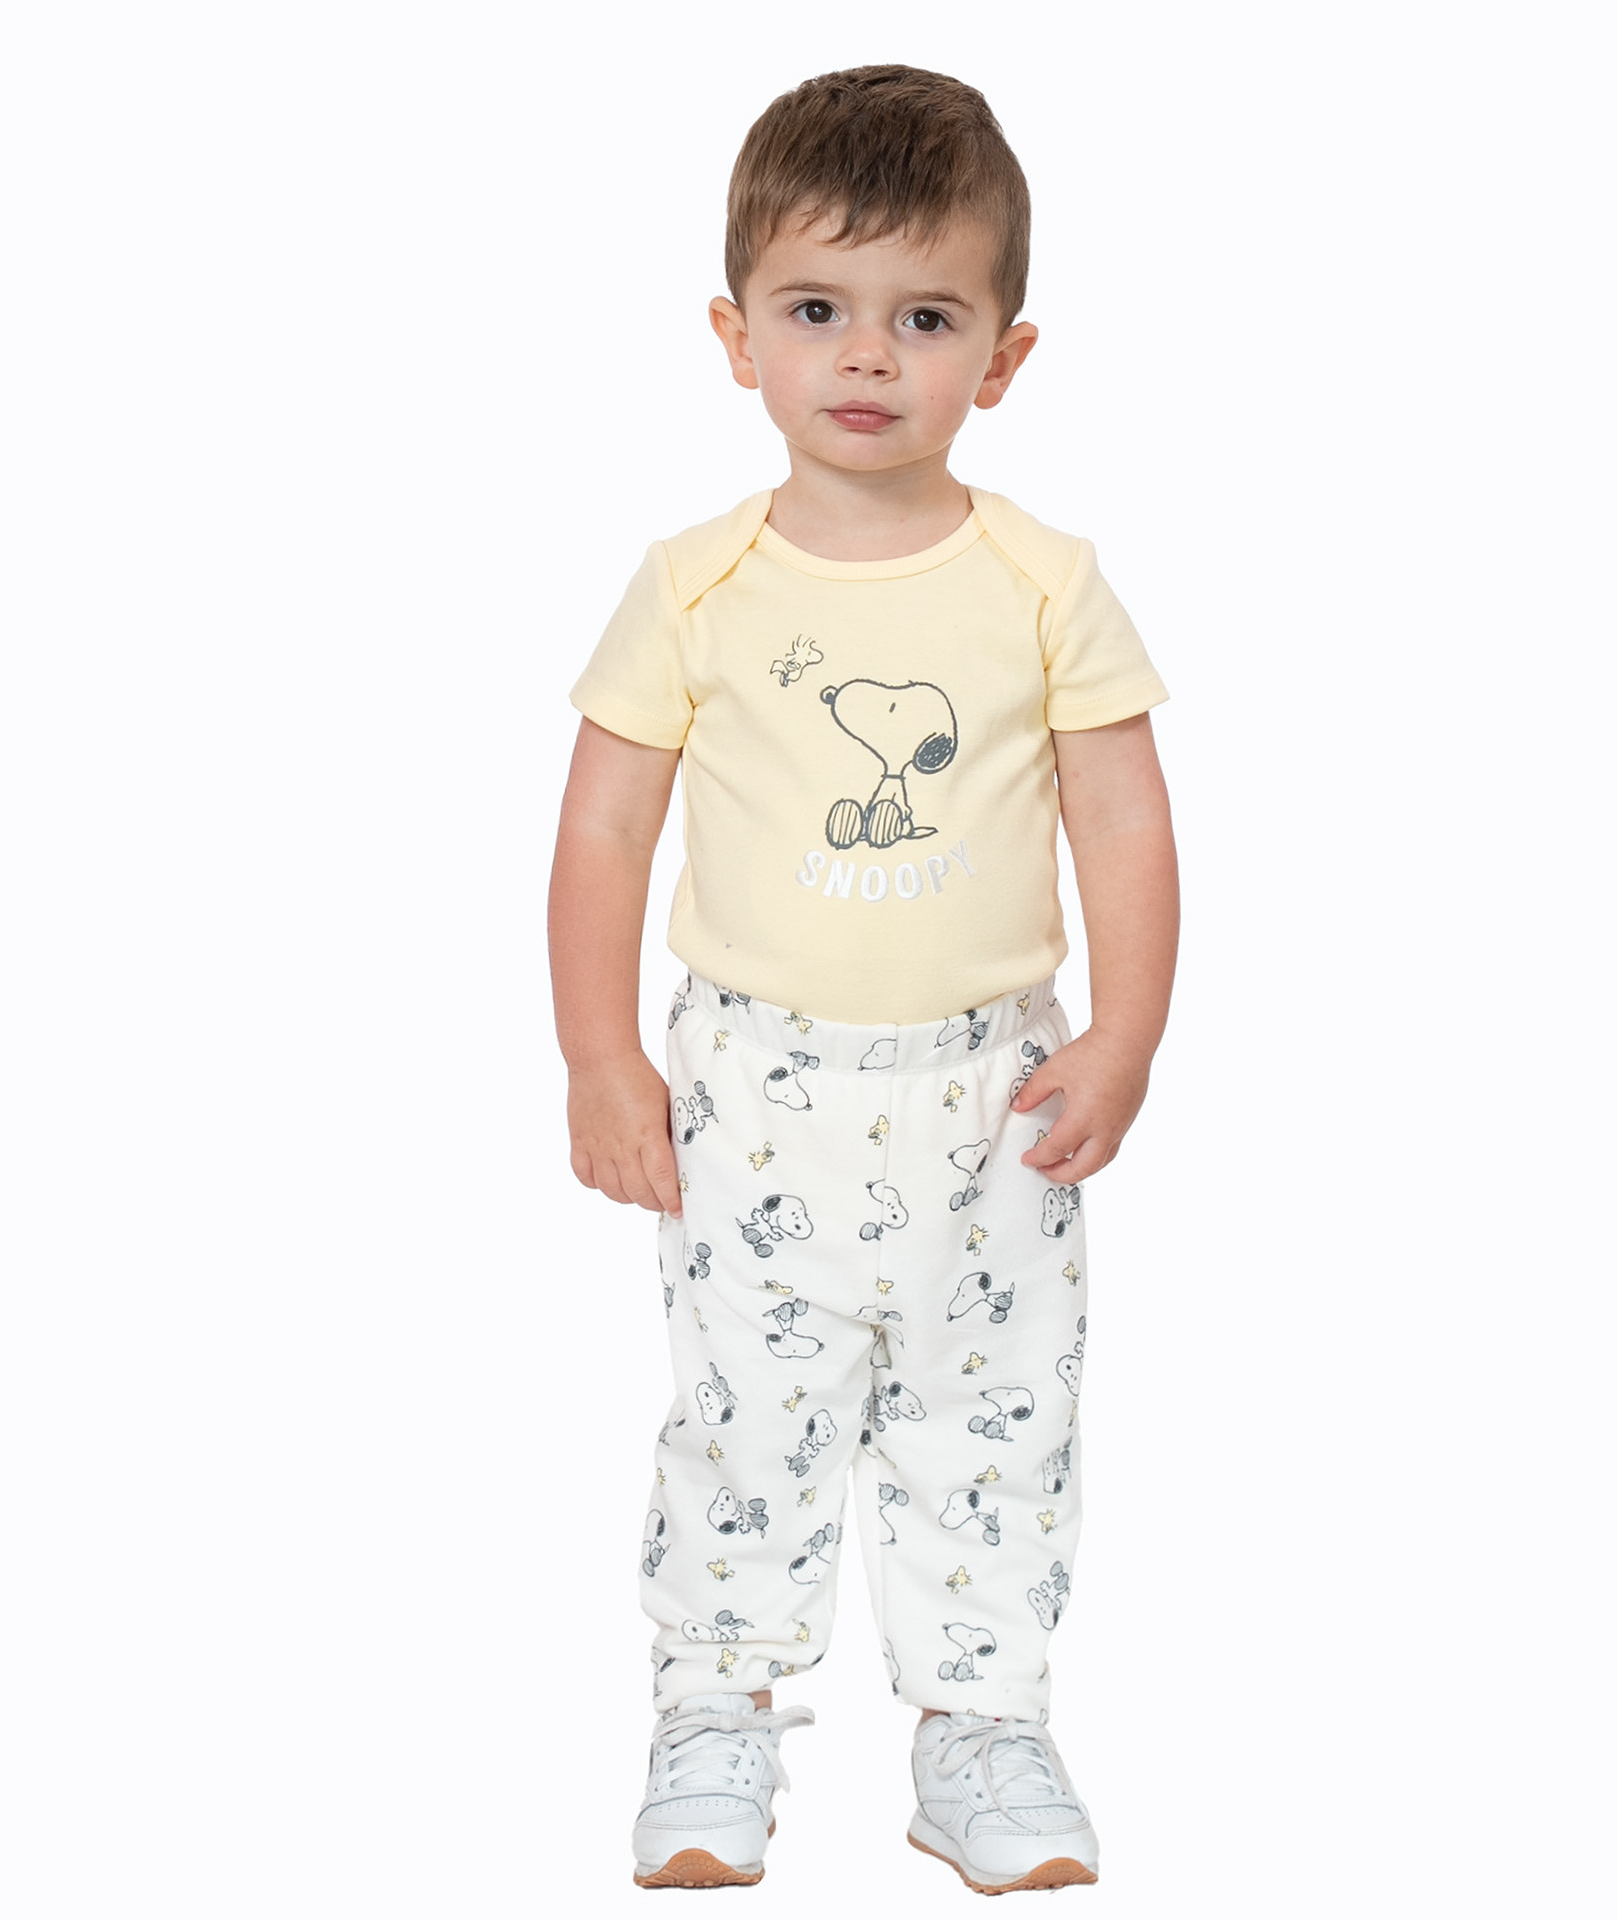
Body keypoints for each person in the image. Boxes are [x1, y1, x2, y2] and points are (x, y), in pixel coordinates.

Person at [548, 64, 1178, 1895]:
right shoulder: (695, 585)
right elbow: (603, 831)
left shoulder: (1044, 583)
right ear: (737, 336)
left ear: (1005, 354)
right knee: (747, 1410)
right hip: (753, 1082)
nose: (868, 358)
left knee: (995, 1409)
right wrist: (601, 1058)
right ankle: (715, 1705)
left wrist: (1126, 1037)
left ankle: (982, 1724)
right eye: (819, 309)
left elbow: (1123, 821)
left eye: (926, 318)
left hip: (995, 1088)